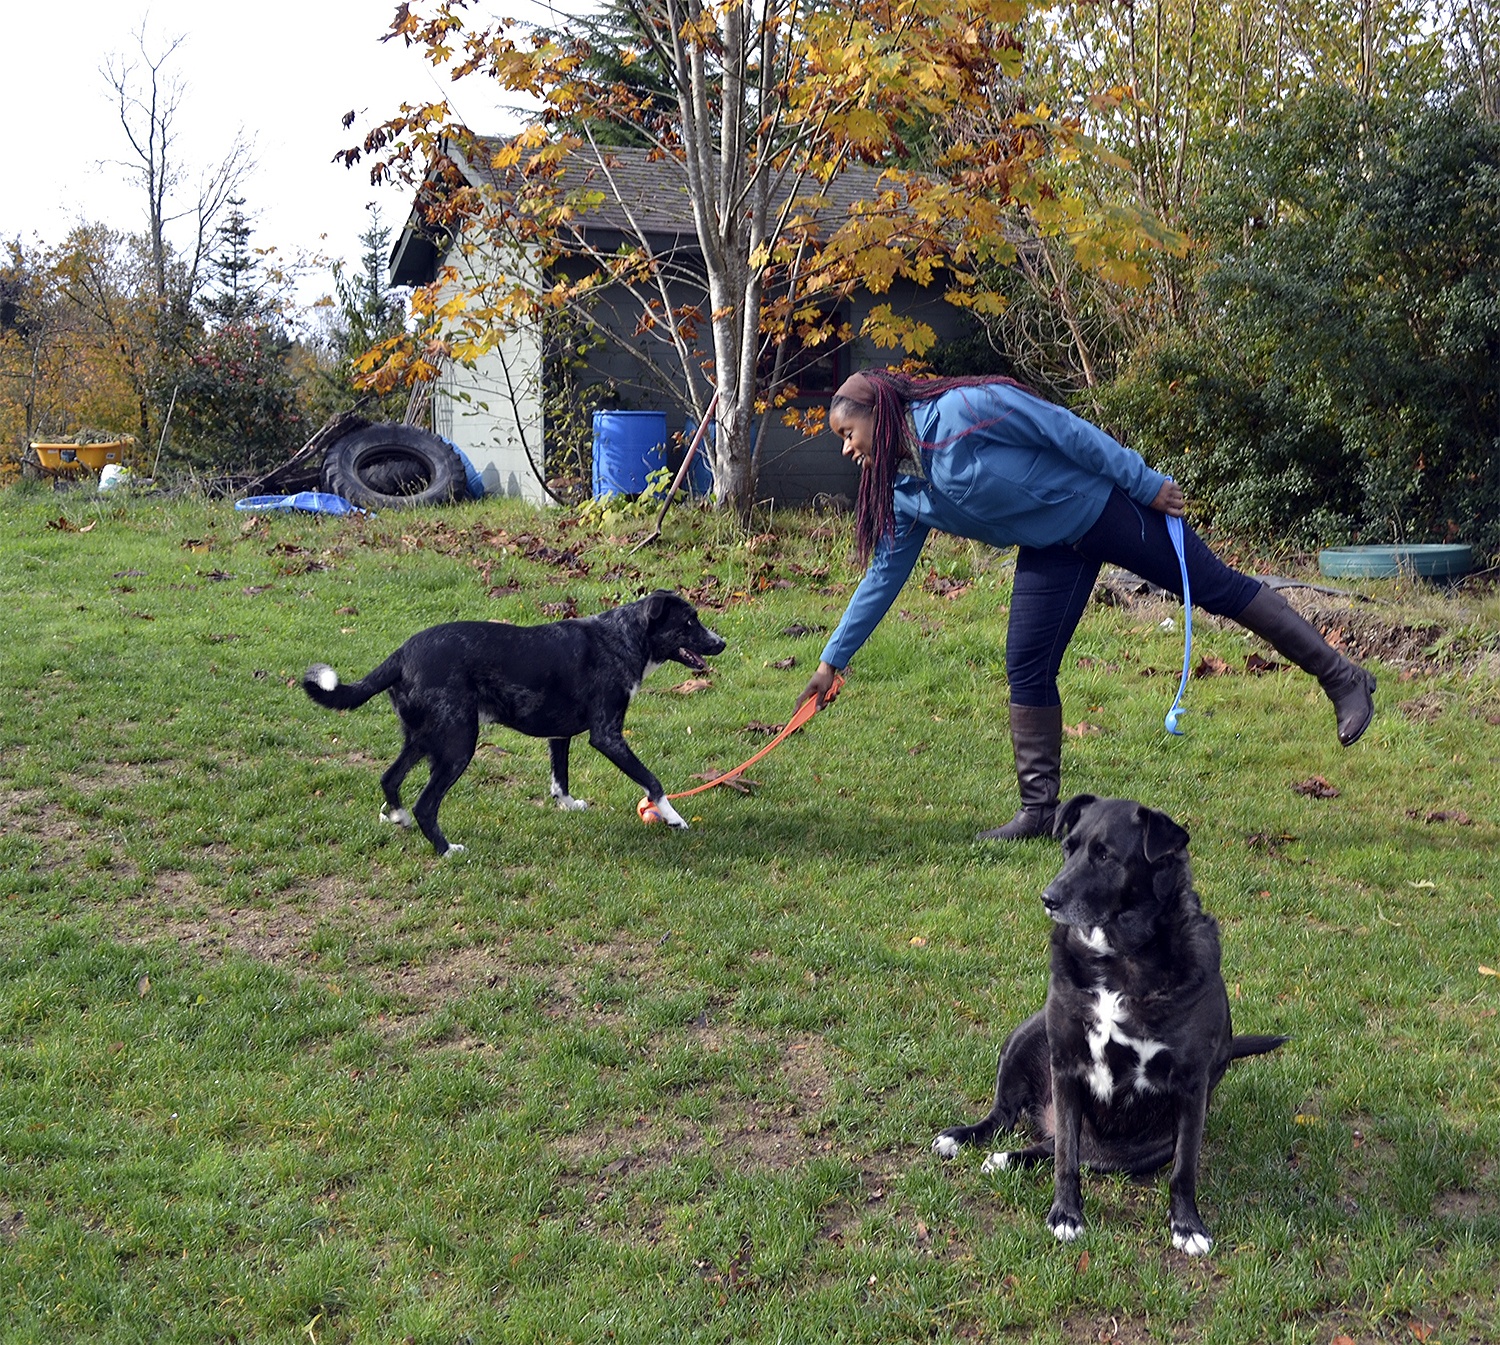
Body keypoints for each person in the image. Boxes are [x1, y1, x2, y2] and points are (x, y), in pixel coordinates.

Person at [795, 368, 1376, 840]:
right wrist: (831, 662)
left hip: (1107, 510)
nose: (847, 448)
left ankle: (1342, 676)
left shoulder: (962, 412)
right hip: (1052, 549)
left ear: (880, 414)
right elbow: (883, 576)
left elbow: (1062, 430)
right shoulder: (900, 489)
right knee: (1026, 664)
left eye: (849, 433)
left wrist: (1142, 481)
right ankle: (1040, 811)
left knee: (1217, 589)